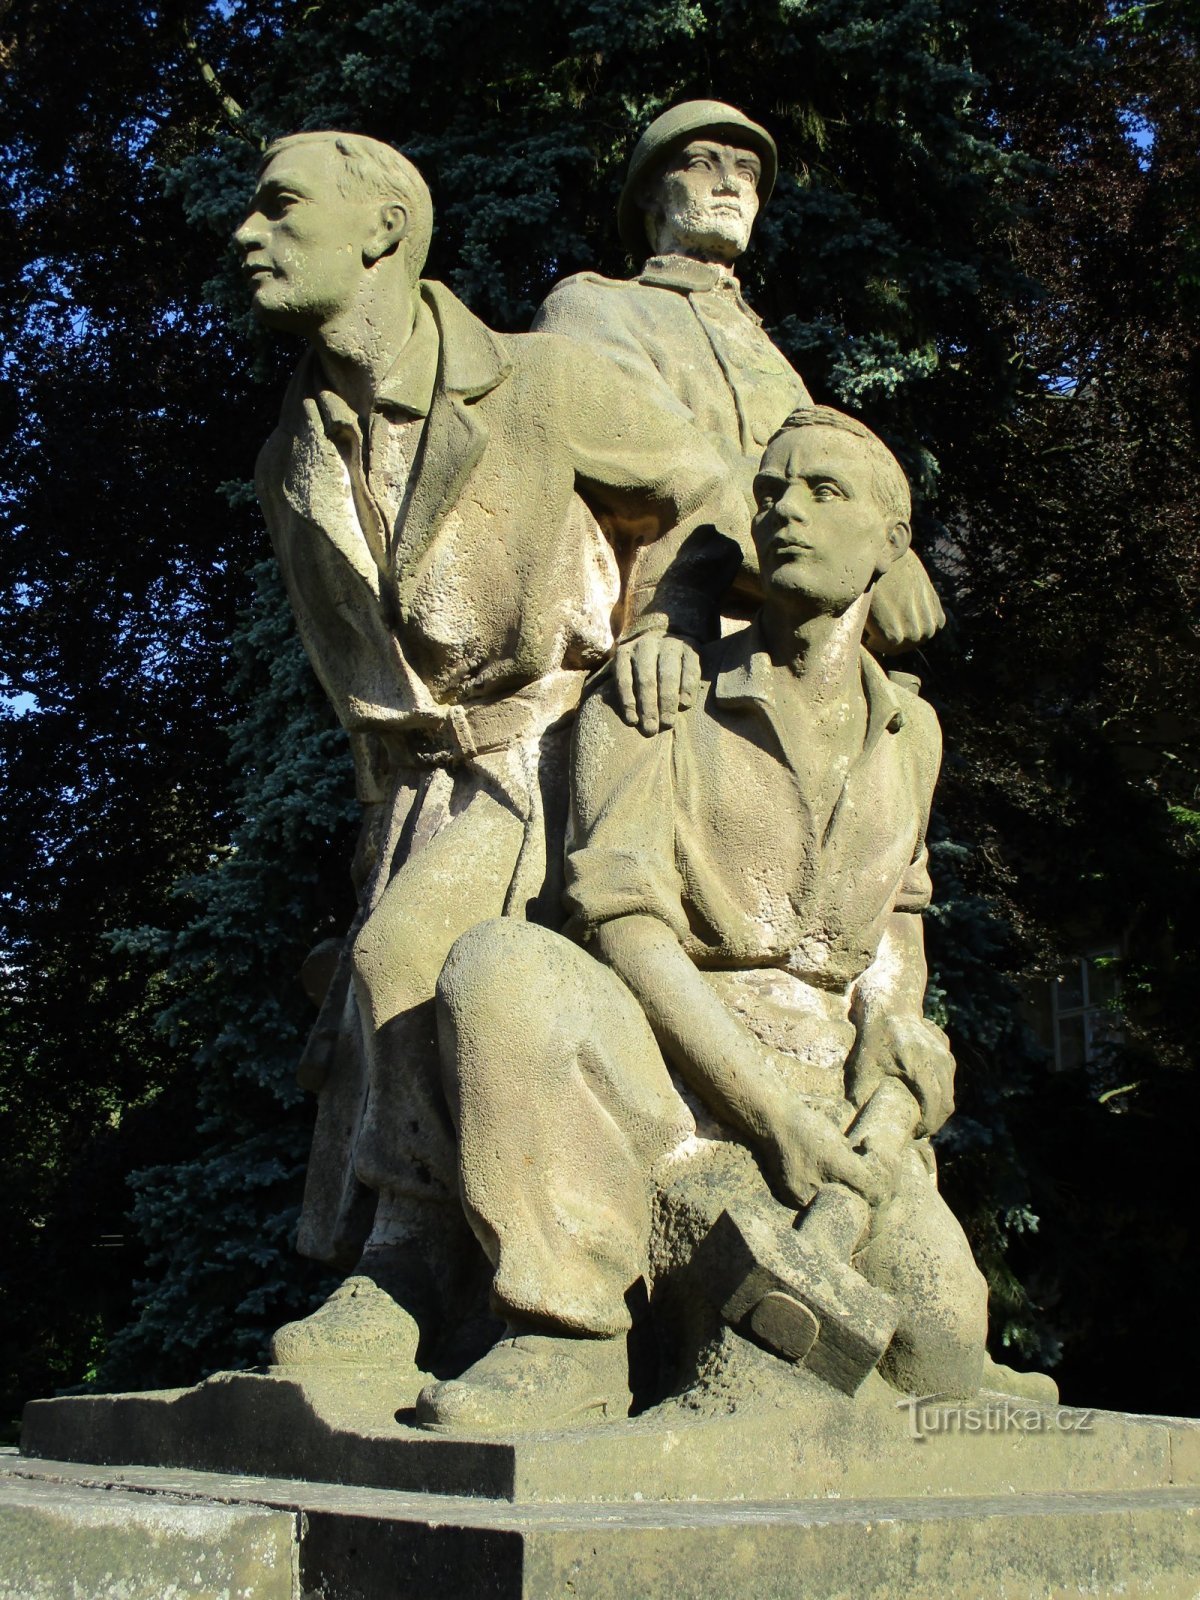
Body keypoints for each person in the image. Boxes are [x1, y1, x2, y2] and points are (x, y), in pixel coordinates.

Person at [235, 131, 745, 1376]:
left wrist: (666, 621)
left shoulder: (542, 382)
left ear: (383, 231)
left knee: (406, 949)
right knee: (387, 954)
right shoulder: (289, 460)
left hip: (558, 754)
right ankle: (419, 1261)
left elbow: (717, 491)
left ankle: (414, 1263)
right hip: (415, 789)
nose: (246, 236)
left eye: (280, 208)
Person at [417, 406, 988, 1432]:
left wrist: (895, 1045)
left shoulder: (915, 736)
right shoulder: (655, 694)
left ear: (891, 546)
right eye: (770, 490)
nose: (783, 511)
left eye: (824, 491)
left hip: (838, 1105)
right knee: (500, 969)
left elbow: (899, 924)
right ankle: (566, 1337)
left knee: (940, 1358)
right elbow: (622, 924)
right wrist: (771, 1119)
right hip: (679, 1075)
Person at [533, 99, 945, 680]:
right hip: (656, 633)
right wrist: (867, 567)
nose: (730, 183)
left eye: (747, 173)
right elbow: (671, 464)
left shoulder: (768, 354)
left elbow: (827, 480)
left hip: (774, 650)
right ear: (651, 193)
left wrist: (882, 549)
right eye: (703, 163)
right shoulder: (594, 306)